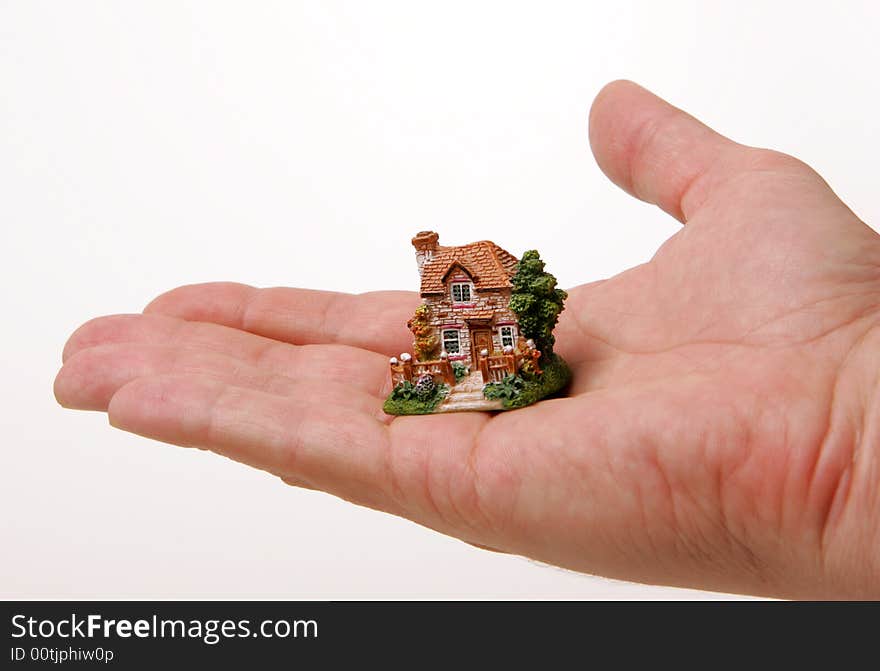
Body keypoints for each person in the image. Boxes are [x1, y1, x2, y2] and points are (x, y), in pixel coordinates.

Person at [54, 81, 880, 599]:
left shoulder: (495, 303)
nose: (453, 307)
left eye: (460, 296)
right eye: (449, 294)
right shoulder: (452, 298)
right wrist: (836, 468)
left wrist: (845, 438)